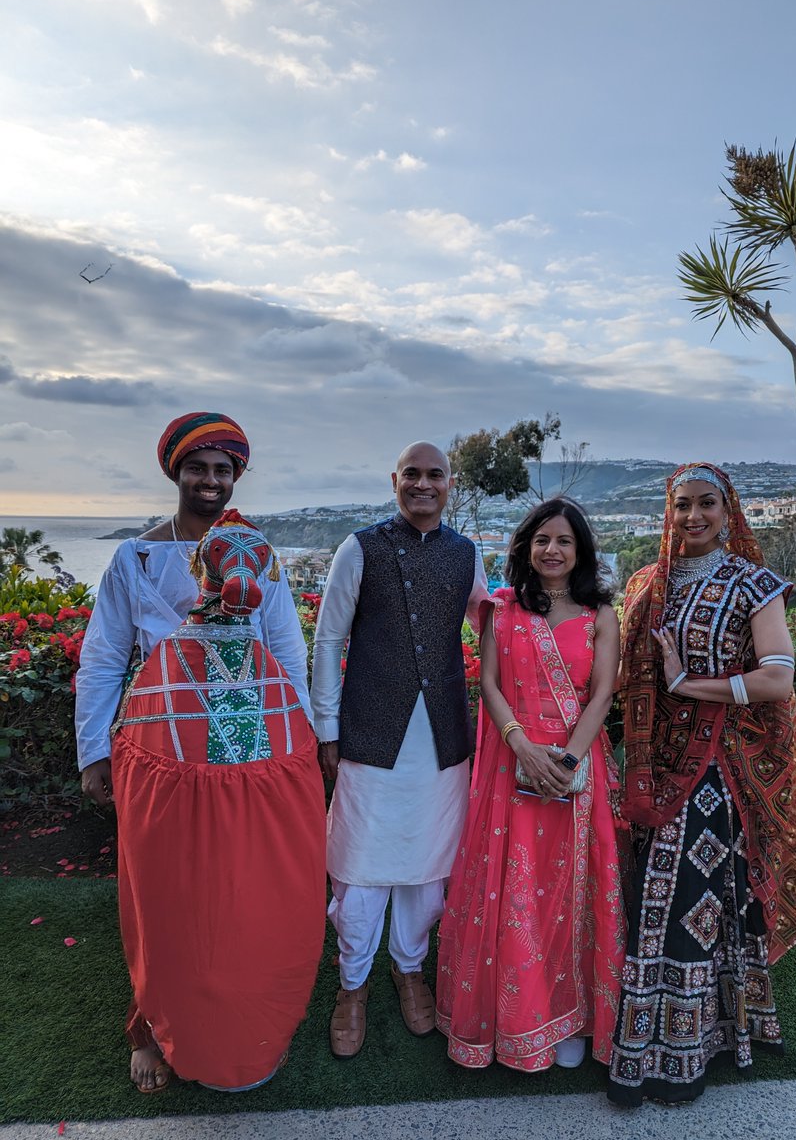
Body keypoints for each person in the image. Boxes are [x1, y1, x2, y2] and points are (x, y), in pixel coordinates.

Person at [76, 411, 313, 1091]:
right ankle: (150, 1025)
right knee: (163, 894)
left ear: (235, 477)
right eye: (198, 467)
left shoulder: (255, 555)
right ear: (176, 471)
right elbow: (101, 661)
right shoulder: (136, 558)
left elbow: (285, 652)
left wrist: (300, 745)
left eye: (223, 469)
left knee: (245, 894)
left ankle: (249, 1022)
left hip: (250, 748)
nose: (210, 480)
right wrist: (95, 750)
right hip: (161, 749)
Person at [608, 461, 796, 1107]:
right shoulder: (647, 584)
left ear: (729, 513)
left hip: (715, 771)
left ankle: (673, 1056)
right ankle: (702, 1034)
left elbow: (778, 676)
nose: (693, 517)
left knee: (685, 900)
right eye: (681, 505)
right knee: (661, 897)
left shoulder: (755, 585)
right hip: (653, 766)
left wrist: (688, 684)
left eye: (706, 505)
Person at [112, 511, 325, 1091]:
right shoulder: (260, 681)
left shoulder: (162, 672)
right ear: (262, 576)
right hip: (246, 750)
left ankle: (166, 1031)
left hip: (211, 762)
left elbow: (136, 775)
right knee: (256, 903)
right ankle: (183, 1032)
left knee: (170, 903)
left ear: (197, 572)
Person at [436, 497, 627, 1072]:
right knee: (513, 891)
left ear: (580, 550)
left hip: (575, 770)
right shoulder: (503, 608)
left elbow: (602, 694)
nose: (552, 550)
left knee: (572, 892)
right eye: (542, 539)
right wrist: (521, 744)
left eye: (564, 541)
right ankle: (515, 1023)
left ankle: (571, 1015)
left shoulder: (600, 613)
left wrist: (566, 762)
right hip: (510, 767)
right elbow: (489, 686)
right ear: (526, 547)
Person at [311, 441, 488, 1059]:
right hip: (368, 733)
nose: (422, 484)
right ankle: (352, 986)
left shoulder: (467, 554)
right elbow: (329, 639)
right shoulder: (358, 549)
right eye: (411, 474)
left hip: (441, 741)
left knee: (429, 868)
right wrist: (327, 729)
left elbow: (494, 632)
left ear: (449, 483)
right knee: (357, 867)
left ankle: (409, 969)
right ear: (395, 481)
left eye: (433, 475)